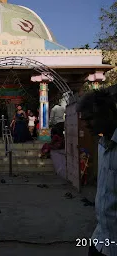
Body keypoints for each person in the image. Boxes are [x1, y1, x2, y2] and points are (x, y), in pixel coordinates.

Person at [76, 89, 117, 256]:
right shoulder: (102, 144)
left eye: (89, 119)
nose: (86, 125)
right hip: (100, 237)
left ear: (107, 113)